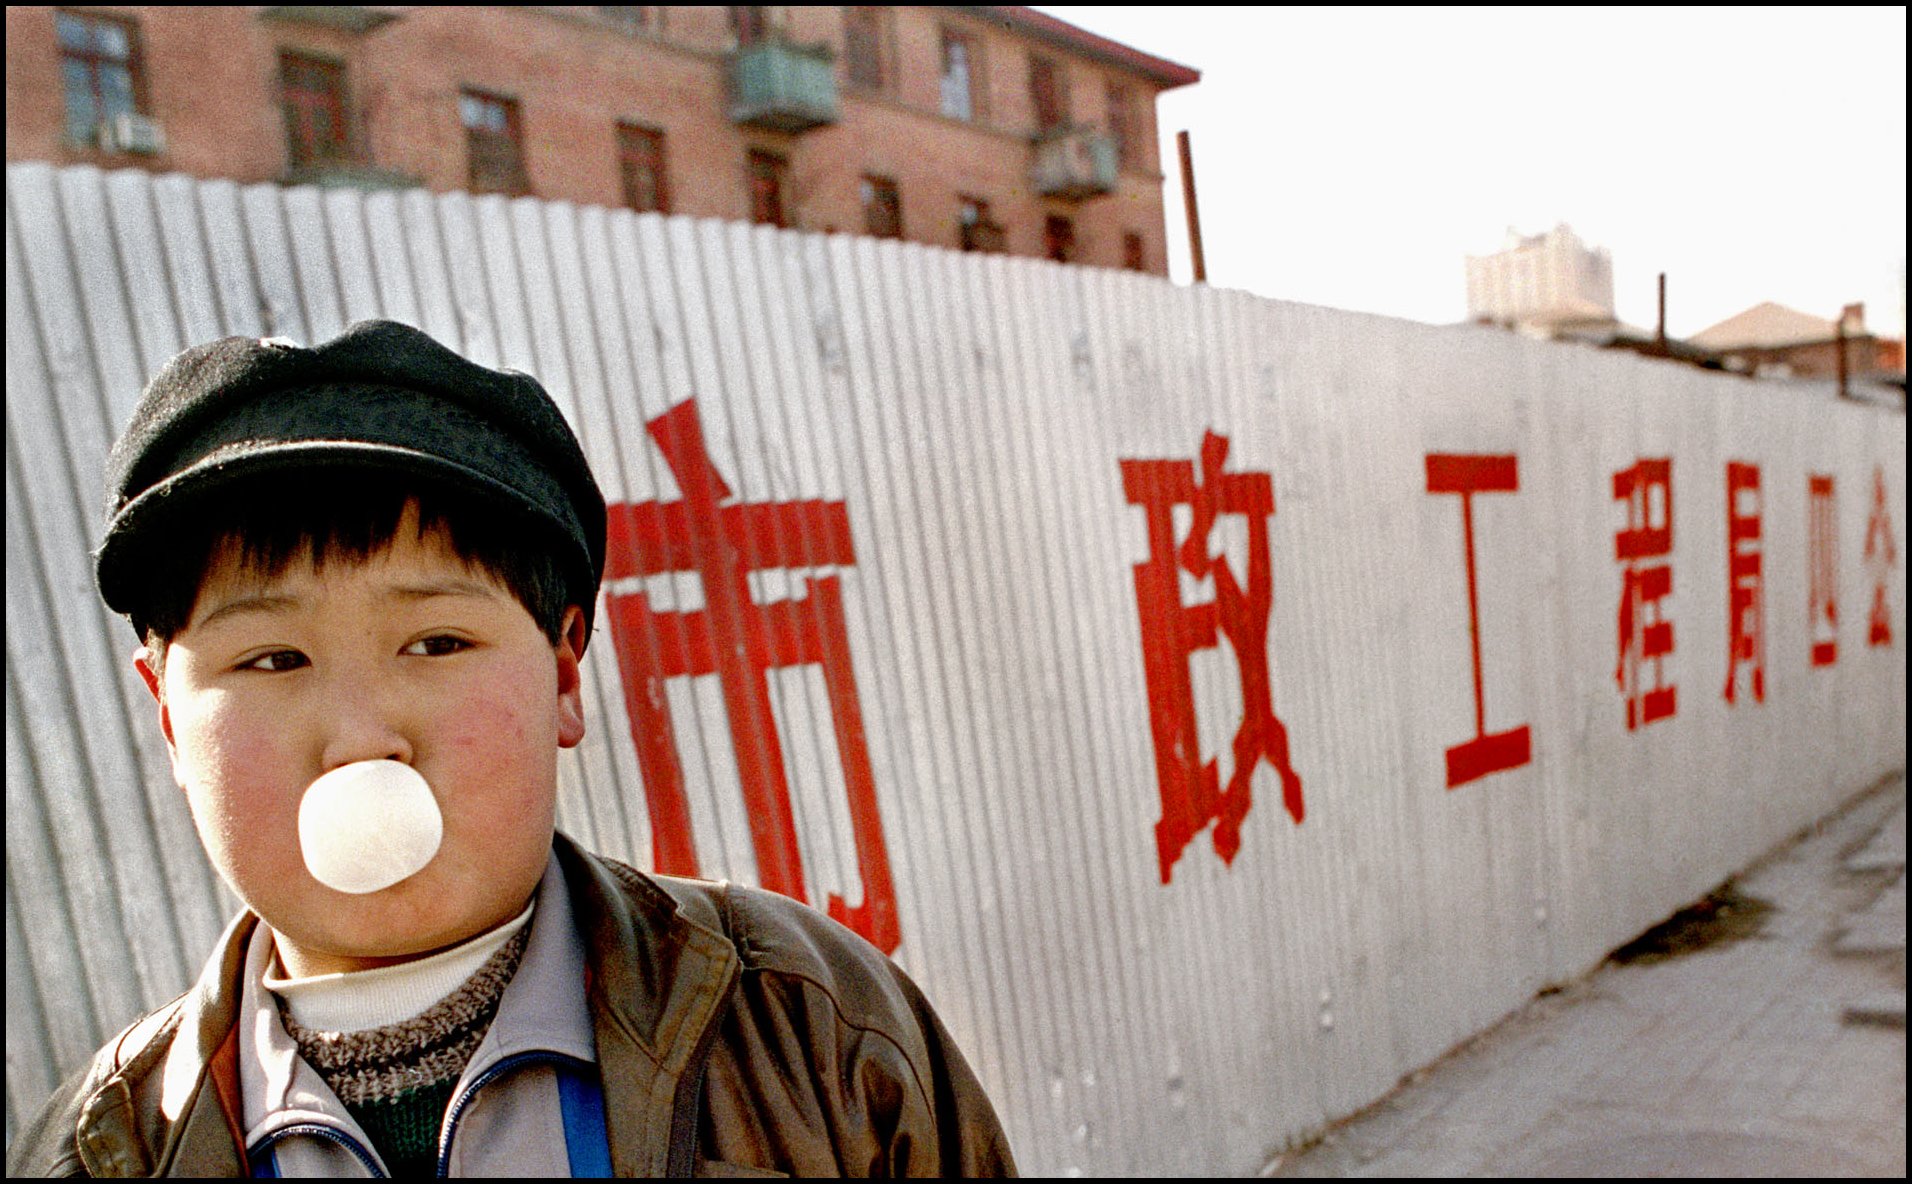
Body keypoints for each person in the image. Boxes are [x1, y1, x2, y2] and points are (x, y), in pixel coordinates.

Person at [7, 320, 1016, 1177]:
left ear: (567, 672)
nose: (362, 737)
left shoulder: (813, 1027)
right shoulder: (92, 1151)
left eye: (436, 642)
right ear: (169, 718)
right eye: (273, 657)